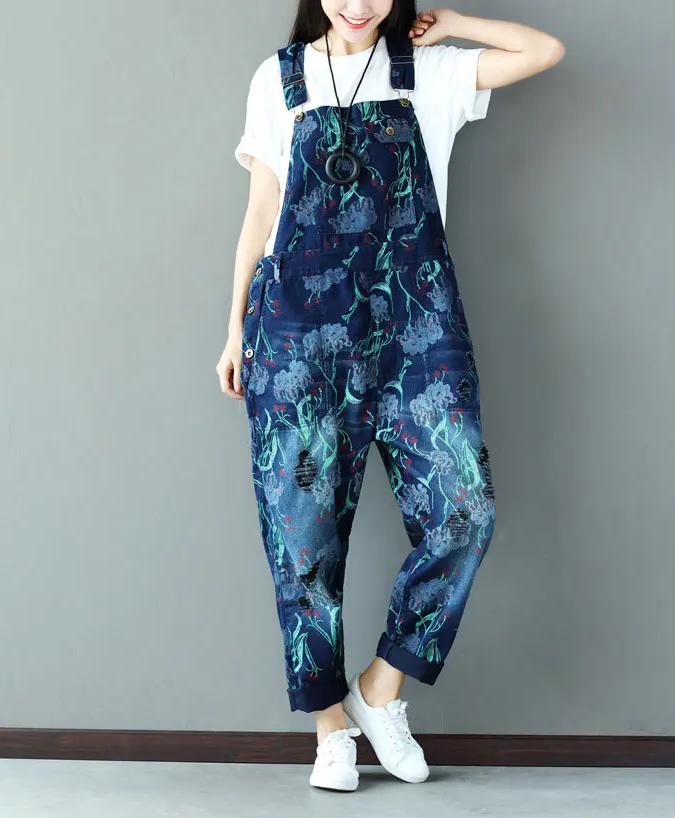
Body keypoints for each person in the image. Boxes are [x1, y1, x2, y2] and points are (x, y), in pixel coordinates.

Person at [216, 0, 564, 792]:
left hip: (417, 330)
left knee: (465, 511)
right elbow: (261, 210)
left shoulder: (429, 74)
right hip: (298, 339)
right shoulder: (280, 79)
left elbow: (543, 50)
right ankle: (329, 728)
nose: (357, 3)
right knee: (302, 540)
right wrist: (234, 328)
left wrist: (455, 23)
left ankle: (379, 689)